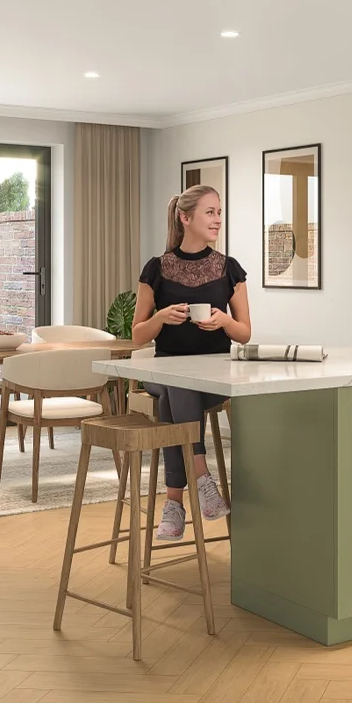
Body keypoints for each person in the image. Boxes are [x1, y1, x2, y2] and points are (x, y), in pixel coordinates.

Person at [132, 184, 252, 541]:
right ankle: (202, 478)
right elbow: (139, 334)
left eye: (219, 212)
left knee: (174, 395)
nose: (217, 220)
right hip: (164, 367)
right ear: (186, 218)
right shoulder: (156, 269)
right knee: (176, 382)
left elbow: (244, 332)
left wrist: (224, 322)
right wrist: (161, 318)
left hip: (213, 377)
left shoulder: (229, 269)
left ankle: (173, 504)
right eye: (210, 212)